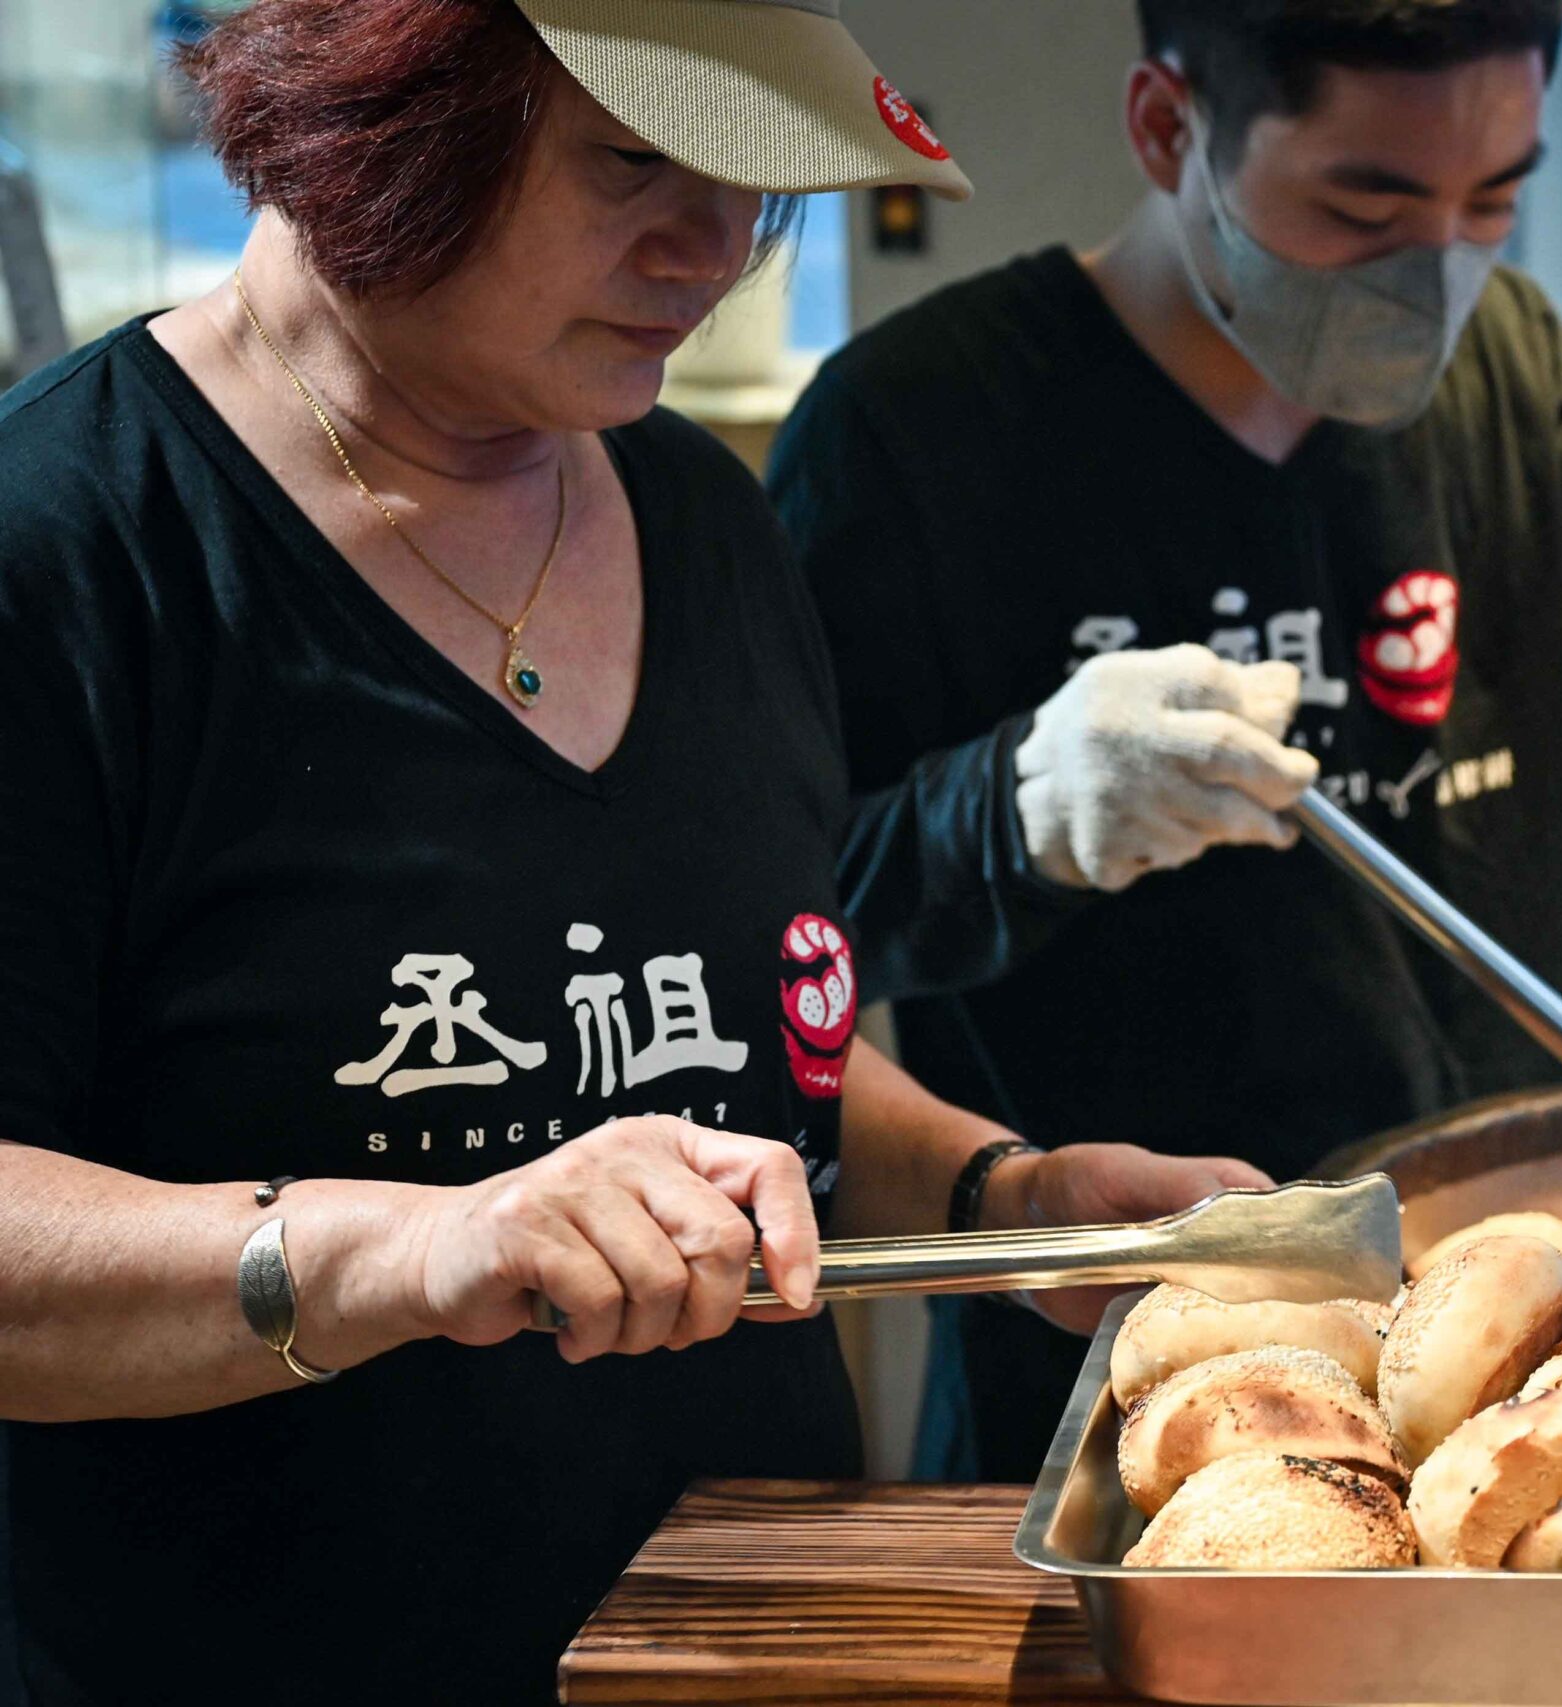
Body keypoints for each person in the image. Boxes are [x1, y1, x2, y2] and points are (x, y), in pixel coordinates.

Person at [0, 3, 1265, 1702]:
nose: (714, 249)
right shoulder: (72, 549)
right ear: (381, 110)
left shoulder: (707, 520)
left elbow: (747, 1032)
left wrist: (1003, 1195)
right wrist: (420, 1244)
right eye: (631, 165)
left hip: (746, 1632)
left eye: (752, 182)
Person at [770, 0, 1562, 1480]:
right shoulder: (912, 432)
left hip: (1500, 1334)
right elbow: (784, 930)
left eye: (1494, 197)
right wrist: (1012, 811)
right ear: (1166, 126)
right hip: (1120, 1368)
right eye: (1362, 203)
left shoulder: (1503, 365)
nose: (1432, 270)